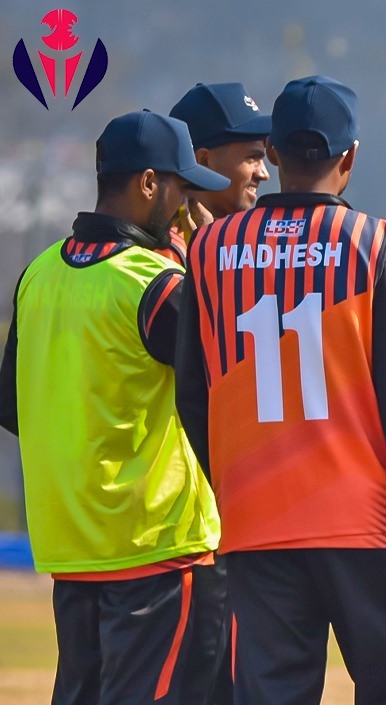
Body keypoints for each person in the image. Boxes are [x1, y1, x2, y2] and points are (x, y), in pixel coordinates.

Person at [174, 75, 386, 705]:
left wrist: (233, 485)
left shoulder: (209, 248)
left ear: (272, 153)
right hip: (365, 526)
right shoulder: (376, 246)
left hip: (257, 526)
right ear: (349, 157)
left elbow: (192, 393)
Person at [0, 109, 230, 705]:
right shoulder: (154, 283)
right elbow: (228, 386)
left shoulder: (38, 275)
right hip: (160, 549)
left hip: (70, 552)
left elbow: (12, 408)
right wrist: (202, 261)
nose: (185, 207)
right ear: (149, 183)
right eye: (180, 189)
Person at [166, 80, 273, 705]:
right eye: (251, 156)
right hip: (183, 536)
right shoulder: (165, 261)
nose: (263, 170)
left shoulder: (243, 253)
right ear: (202, 161)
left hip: (229, 527)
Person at [163, 81, 272, 266]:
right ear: (204, 160)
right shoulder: (162, 253)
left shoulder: (252, 244)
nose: (264, 174)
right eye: (253, 157)